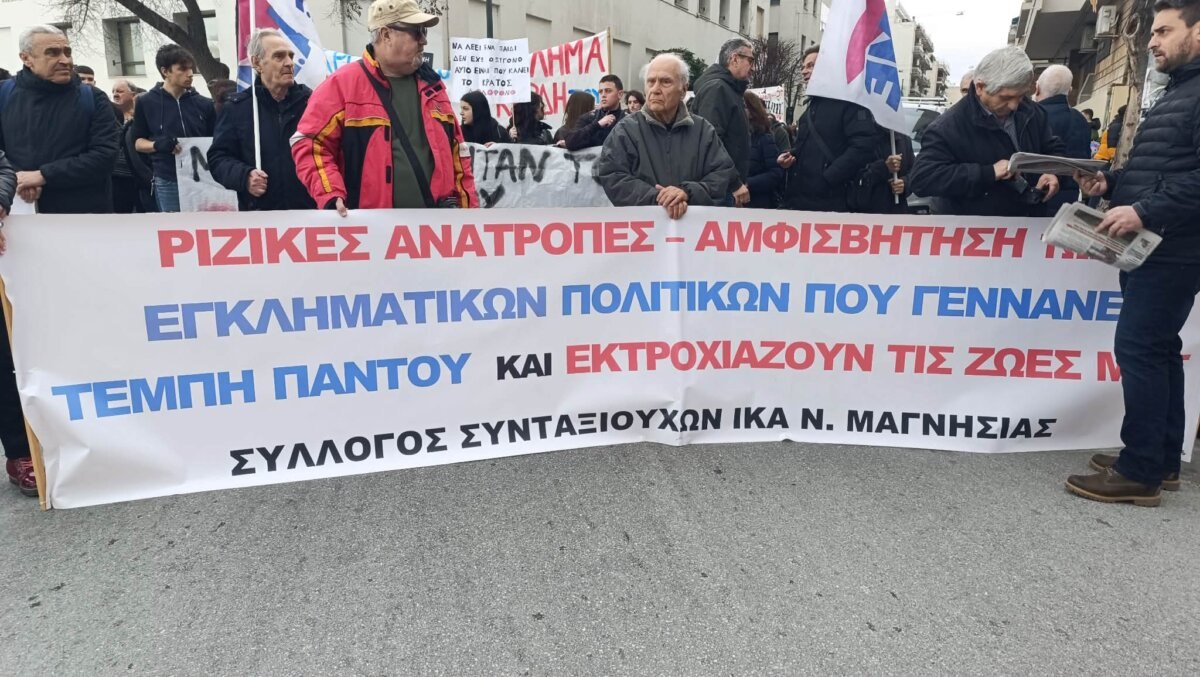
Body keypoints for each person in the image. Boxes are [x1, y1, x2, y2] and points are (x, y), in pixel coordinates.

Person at [1067, 0, 1200, 507]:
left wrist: (1144, 209)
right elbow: (1163, 170)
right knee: (1159, 349)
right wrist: (1111, 184)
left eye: (1164, 31)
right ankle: (1161, 459)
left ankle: (1139, 471)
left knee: (1140, 348)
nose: (1152, 41)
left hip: (1173, 246)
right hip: (1161, 245)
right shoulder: (1180, 91)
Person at [292, 0, 478, 212]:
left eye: (424, 32)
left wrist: (469, 215)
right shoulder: (341, 86)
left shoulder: (434, 87)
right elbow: (309, 144)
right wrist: (330, 194)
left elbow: (459, 156)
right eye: (417, 32)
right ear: (386, 35)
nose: (424, 41)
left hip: (436, 227)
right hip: (372, 228)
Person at [909, 46, 1063, 217]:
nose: (1014, 105)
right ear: (980, 87)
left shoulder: (1033, 112)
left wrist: (1052, 173)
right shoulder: (947, 126)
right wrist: (988, 173)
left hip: (1028, 220)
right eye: (1005, 97)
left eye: (1021, 96)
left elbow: (1053, 148)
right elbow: (923, 179)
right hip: (976, 226)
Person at [597, 53, 737, 219]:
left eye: (665, 82)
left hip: (693, 227)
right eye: (651, 81)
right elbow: (613, 175)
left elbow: (721, 173)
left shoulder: (703, 130)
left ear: (683, 90)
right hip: (644, 228)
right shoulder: (625, 130)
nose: (655, 89)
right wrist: (659, 199)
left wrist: (687, 192)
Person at [0, 25, 119, 215]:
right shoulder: (3, 95)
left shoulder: (93, 98)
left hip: (83, 216)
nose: (65, 60)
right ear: (26, 58)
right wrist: (18, 179)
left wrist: (43, 176)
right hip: (18, 212)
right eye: (52, 53)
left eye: (67, 52)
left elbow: (105, 155)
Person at [208, 29, 315, 212]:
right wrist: (244, 177)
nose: (289, 63)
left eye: (291, 56)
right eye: (279, 56)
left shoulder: (311, 104)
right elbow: (218, 158)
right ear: (257, 63)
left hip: (309, 213)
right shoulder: (236, 108)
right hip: (261, 216)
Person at [776, 45, 879, 212]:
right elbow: (809, 148)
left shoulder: (849, 103)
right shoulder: (811, 107)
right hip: (802, 200)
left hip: (834, 202)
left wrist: (829, 177)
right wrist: (790, 156)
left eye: (811, 66)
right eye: (803, 67)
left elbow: (863, 147)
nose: (804, 71)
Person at [132, 44, 215, 213]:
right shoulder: (146, 102)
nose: (190, 74)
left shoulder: (204, 104)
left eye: (191, 68)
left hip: (204, 176)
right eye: (182, 69)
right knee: (174, 226)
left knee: (205, 224)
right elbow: (138, 143)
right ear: (165, 71)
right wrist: (157, 145)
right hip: (168, 178)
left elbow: (216, 139)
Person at [692, 38, 754, 206]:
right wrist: (735, 182)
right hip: (720, 188)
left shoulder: (728, 89)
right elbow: (711, 142)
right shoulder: (717, 89)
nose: (753, 67)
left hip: (725, 185)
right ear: (734, 59)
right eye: (750, 60)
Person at [1035, 64, 1091, 211]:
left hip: (1040, 192)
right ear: (1069, 90)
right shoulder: (1080, 119)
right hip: (1071, 194)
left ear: (1037, 88)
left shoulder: (1034, 116)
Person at [563, 74, 625, 150]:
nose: (603, 95)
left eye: (608, 91)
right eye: (600, 92)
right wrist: (597, 125)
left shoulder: (627, 120)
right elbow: (570, 142)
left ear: (620, 94)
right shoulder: (589, 117)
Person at [743, 91, 783, 209]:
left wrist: (748, 183)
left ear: (752, 111)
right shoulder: (733, 137)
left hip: (758, 205)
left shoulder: (764, 138)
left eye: (744, 106)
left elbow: (775, 174)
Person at [110, 78, 142, 213]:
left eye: (120, 91)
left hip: (139, 177)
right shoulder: (109, 116)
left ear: (133, 94)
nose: (115, 94)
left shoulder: (141, 116)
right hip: (117, 177)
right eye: (113, 91)